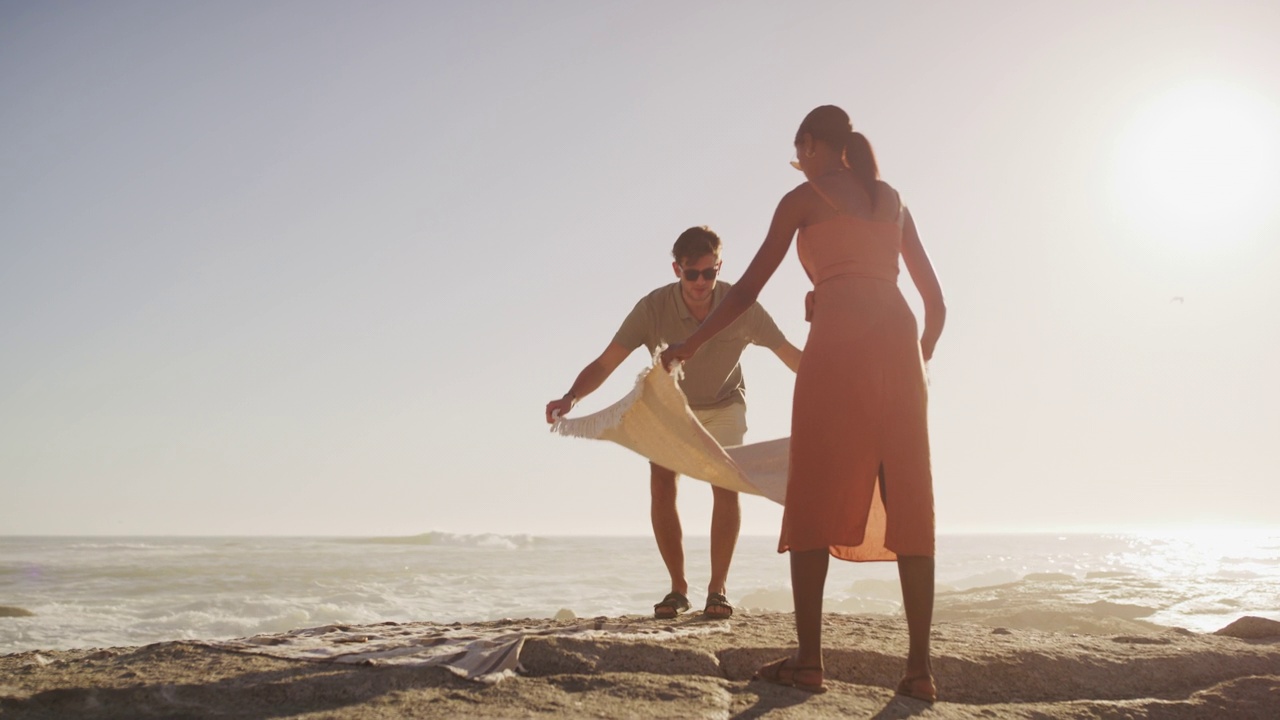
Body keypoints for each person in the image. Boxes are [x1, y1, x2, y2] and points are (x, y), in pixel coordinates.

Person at [661, 106, 946, 701]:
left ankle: (810, 661)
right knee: (907, 496)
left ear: (813, 144)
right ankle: (919, 671)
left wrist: (688, 342)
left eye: (800, 150)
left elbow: (744, 290)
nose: (800, 161)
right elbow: (937, 307)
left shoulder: (802, 196)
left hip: (837, 346)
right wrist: (914, 363)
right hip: (898, 344)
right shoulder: (892, 198)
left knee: (814, 484)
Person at [545, 226, 802, 620]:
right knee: (662, 483)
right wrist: (571, 397)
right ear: (676, 269)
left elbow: (790, 355)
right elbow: (605, 362)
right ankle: (678, 589)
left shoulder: (741, 305)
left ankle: (717, 590)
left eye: (709, 273)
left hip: (724, 404)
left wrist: (838, 383)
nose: (701, 283)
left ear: (719, 268)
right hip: (671, 405)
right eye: (691, 273)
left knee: (725, 483)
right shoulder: (653, 308)